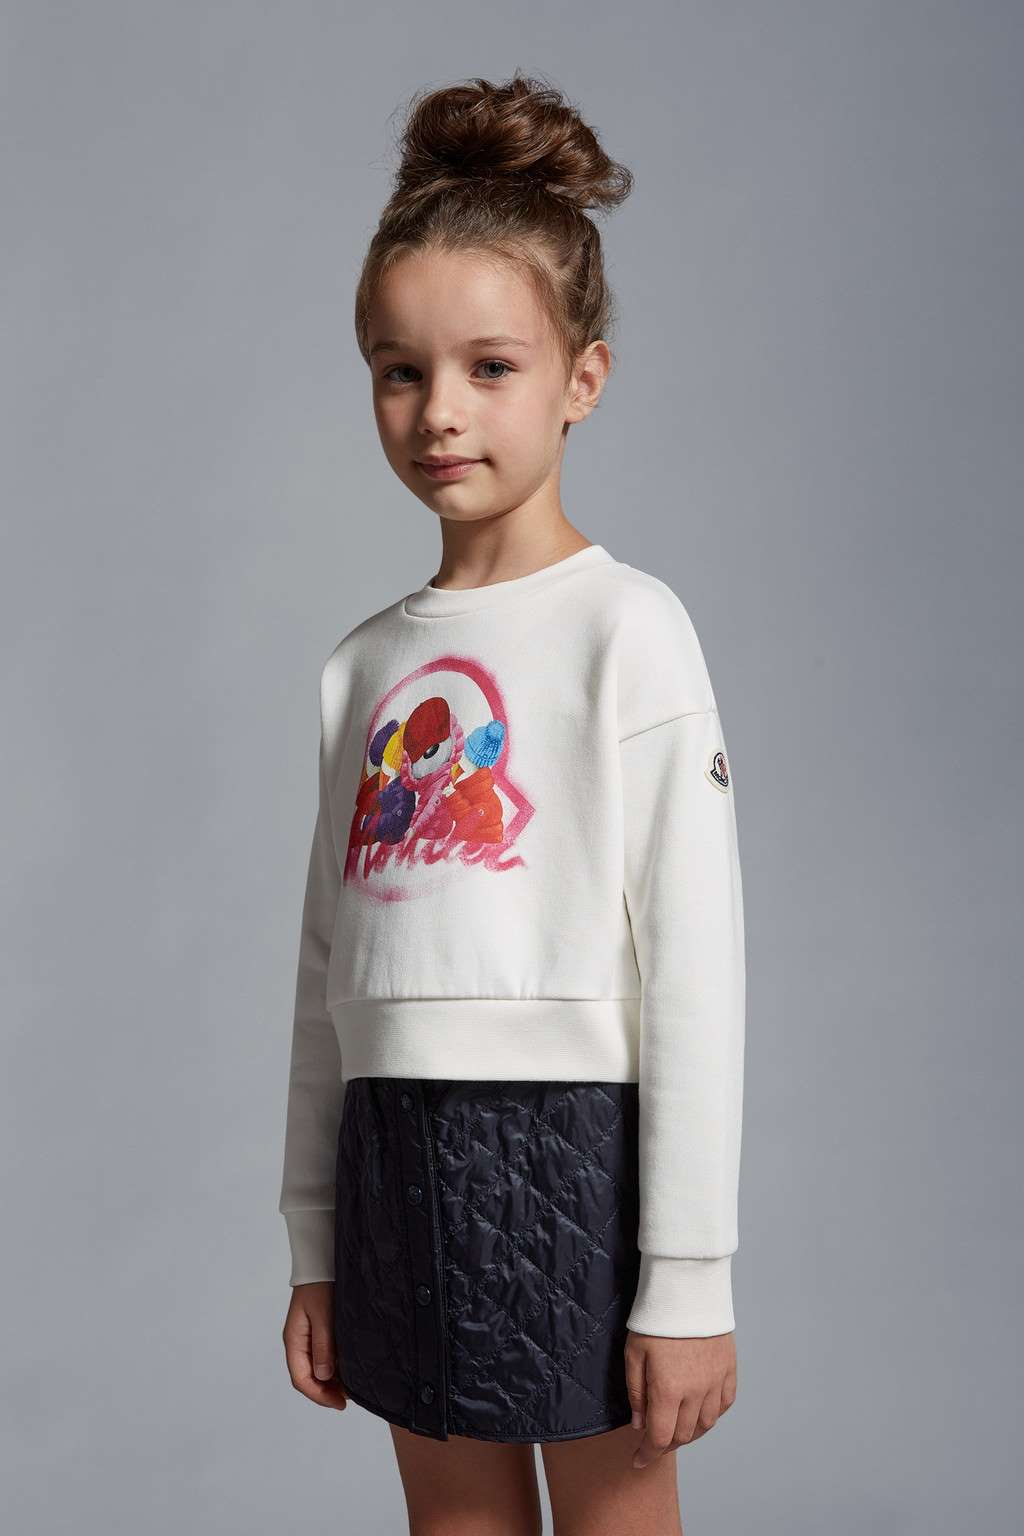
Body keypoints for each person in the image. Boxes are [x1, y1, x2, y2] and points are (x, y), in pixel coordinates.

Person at [278, 71, 746, 1536]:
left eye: (490, 367)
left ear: (581, 380)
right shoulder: (362, 668)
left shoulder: (629, 632)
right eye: (398, 370)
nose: (439, 412)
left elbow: (697, 971)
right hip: (390, 1159)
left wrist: (688, 1278)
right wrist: (316, 1241)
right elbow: (325, 975)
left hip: (573, 1151)